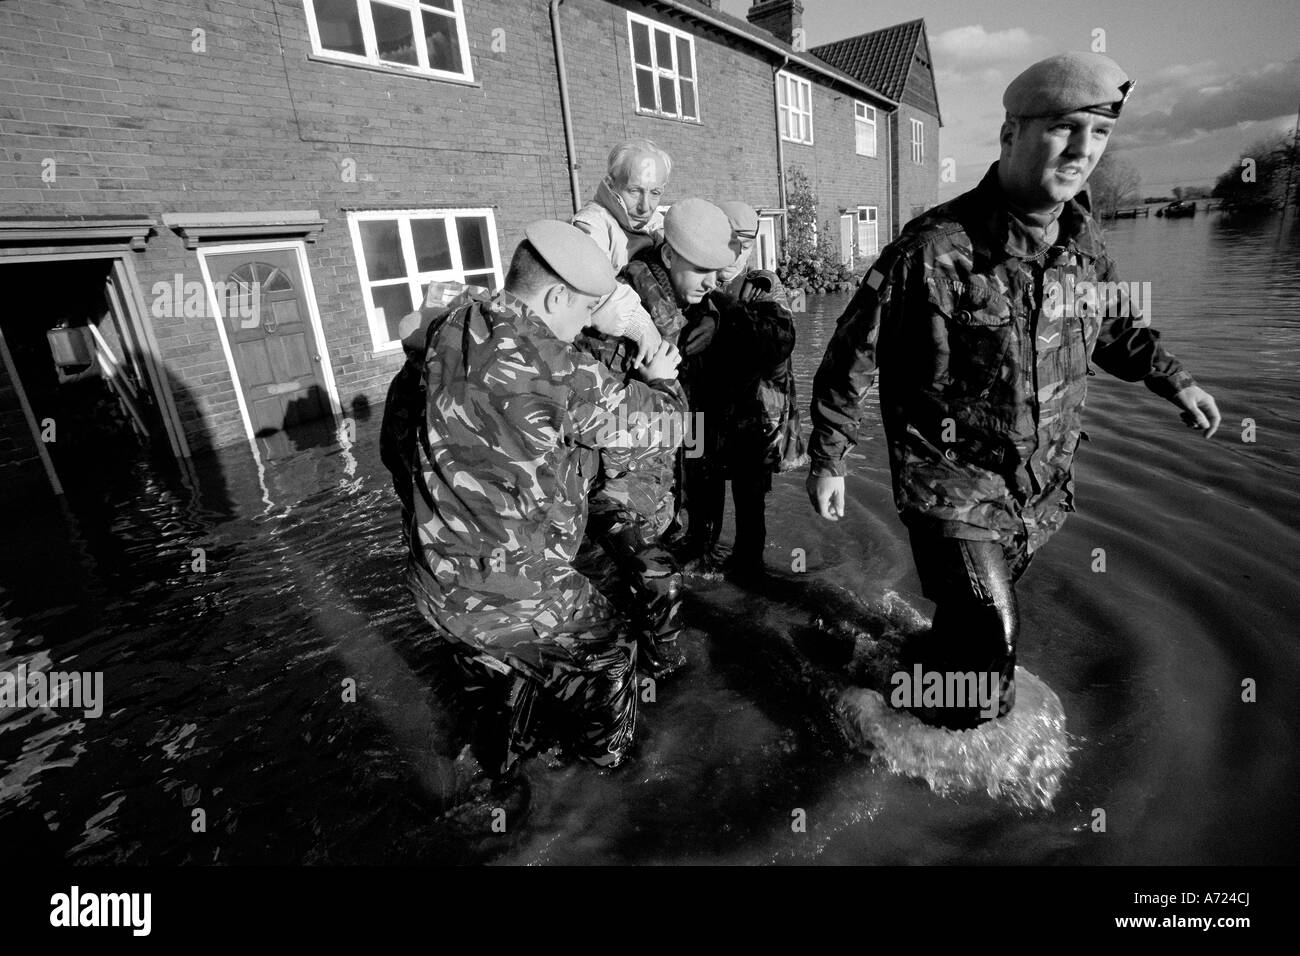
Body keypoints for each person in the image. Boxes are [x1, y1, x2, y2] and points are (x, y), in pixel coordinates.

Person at [806, 52, 1221, 729]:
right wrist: (829, 458)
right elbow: (852, 352)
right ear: (1011, 135)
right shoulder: (936, 248)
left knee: (965, 632)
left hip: (1036, 488)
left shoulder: (1085, 243)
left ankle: (903, 677)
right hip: (950, 481)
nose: (1083, 150)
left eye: (1099, 134)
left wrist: (1175, 381)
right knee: (990, 653)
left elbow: (1111, 327)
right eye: (1063, 128)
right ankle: (905, 727)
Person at [389, 220, 686, 774]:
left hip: (434, 581)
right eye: (583, 309)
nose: (583, 326)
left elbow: (445, 306)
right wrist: (660, 376)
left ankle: (497, 776)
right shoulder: (560, 367)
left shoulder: (455, 325)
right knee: (613, 650)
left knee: (497, 686)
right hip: (508, 590)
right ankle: (603, 771)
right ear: (555, 296)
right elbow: (664, 426)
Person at [573, 198, 735, 677]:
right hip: (612, 493)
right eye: (702, 270)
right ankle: (659, 684)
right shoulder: (625, 320)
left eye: (719, 271)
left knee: (649, 592)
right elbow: (599, 420)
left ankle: (651, 674)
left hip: (651, 484)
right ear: (668, 258)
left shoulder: (678, 309)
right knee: (639, 600)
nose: (713, 282)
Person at [677, 200, 803, 577]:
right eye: (728, 239)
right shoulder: (690, 278)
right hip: (697, 416)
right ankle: (699, 564)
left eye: (745, 242)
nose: (735, 251)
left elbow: (778, 341)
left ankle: (749, 575)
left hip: (751, 417)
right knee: (699, 498)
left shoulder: (764, 286)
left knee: (750, 507)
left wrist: (723, 312)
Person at [571, 139, 675, 365]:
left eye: (655, 193)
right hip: (603, 358)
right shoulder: (592, 225)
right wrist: (639, 323)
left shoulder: (658, 225)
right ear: (611, 182)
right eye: (634, 191)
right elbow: (589, 286)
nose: (645, 206)